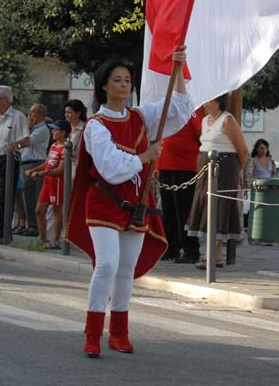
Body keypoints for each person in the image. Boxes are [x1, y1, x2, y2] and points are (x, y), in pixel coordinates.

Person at [66, 47, 192, 358]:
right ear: (104, 86)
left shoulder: (140, 116)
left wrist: (180, 69)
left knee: (126, 269)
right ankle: (93, 333)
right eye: (117, 80)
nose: (124, 85)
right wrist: (143, 157)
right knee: (106, 264)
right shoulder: (95, 125)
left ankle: (119, 333)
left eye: (127, 80)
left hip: (137, 202)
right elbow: (109, 167)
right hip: (104, 203)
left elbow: (178, 109)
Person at [185, 93, 249, 269]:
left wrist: (236, 171)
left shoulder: (227, 120)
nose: (205, 103)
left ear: (218, 101)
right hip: (205, 171)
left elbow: (243, 149)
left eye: (209, 99)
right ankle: (216, 255)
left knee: (220, 208)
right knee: (206, 207)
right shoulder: (205, 120)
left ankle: (212, 255)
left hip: (224, 169)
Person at [156, 109, 203, 263]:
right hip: (165, 164)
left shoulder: (195, 108)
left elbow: (201, 132)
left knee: (184, 211)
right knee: (168, 211)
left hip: (186, 166)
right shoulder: (167, 106)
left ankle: (191, 250)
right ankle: (170, 248)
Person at [0, 85, 28, 245]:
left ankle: (3, 233)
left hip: (8, 160)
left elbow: (26, 141)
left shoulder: (17, 116)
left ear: (5, 99)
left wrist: (16, 144)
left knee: (5, 197)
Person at [26, 119, 71, 249]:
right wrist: (34, 170)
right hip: (47, 181)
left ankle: (56, 241)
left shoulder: (66, 147)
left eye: (55, 129)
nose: (53, 131)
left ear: (63, 132)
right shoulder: (53, 146)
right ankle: (43, 238)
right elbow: (47, 164)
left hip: (56, 182)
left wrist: (41, 174)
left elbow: (60, 170)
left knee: (57, 210)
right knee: (39, 210)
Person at [17, 104, 49, 236]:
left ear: (41, 115)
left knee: (32, 196)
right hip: (24, 164)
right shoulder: (30, 129)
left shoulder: (42, 129)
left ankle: (34, 226)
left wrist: (15, 144)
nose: (29, 116)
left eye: (32, 113)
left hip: (35, 164)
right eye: (29, 113)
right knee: (25, 196)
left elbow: (27, 142)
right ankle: (28, 224)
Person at [64, 99, 88, 179]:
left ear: (78, 113)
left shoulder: (85, 129)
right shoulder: (68, 129)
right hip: (68, 171)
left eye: (69, 113)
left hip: (80, 172)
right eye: (65, 112)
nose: (66, 115)